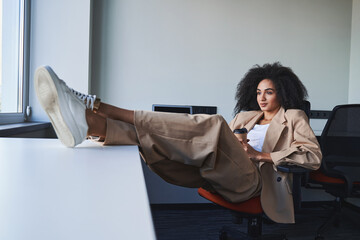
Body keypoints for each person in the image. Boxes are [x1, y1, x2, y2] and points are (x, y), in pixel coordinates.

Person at [34, 62, 322, 224]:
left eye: (269, 92)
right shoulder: (247, 116)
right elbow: (218, 142)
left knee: (214, 123)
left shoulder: (294, 116)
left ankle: (98, 108)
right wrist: (238, 142)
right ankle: (91, 125)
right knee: (154, 136)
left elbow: (312, 157)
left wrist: (260, 155)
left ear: (282, 93)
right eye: (259, 91)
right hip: (221, 170)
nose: (262, 97)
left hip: (255, 181)